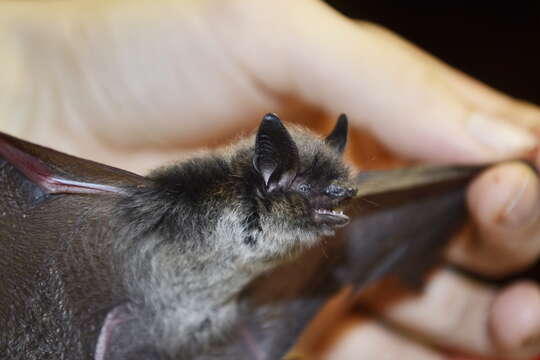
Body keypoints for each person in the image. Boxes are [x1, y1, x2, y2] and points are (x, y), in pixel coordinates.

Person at [2, 0, 540, 358]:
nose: (340, 201)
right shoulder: (163, 208)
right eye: (320, 193)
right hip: (118, 305)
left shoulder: (295, 226)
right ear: (271, 178)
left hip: (205, 325)